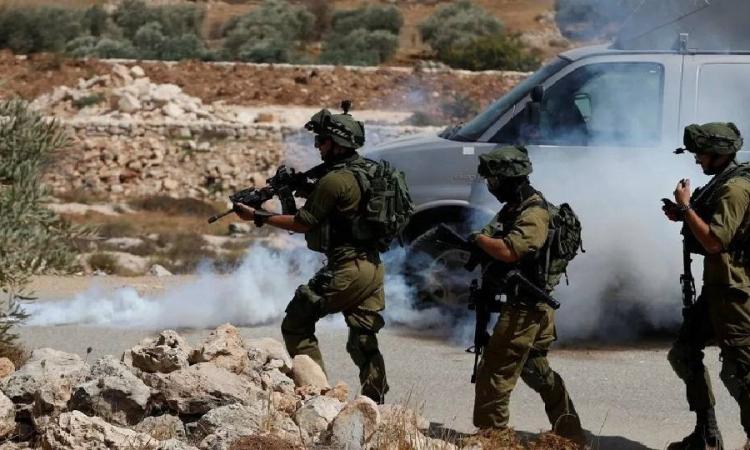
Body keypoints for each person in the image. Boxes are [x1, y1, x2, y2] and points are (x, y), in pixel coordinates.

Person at [234, 105, 389, 404]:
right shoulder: (368, 171)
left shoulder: (333, 180)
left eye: (322, 141)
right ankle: (375, 402)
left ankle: (318, 397)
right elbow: (345, 205)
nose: (317, 146)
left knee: (296, 324)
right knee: (363, 338)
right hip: (373, 267)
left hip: (346, 268)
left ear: (338, 143)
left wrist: (258, 215)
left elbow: (302, 223)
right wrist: (301, 189)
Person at [470, 145, 585, 444]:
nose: (490, 186)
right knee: (535, 369)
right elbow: (493, 234)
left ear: (509, 178)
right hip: (530, 308)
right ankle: (570, 432)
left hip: (526, 308)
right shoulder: (516, 206)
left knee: (495, 371)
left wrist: (479, 241)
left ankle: (493, 436)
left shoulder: (534, 213)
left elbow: (510, 251)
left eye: (494, 180)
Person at [663, 122, 750, 450]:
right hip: (718, 288)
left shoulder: (735, 188)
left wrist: (686, 208)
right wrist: (683, 214)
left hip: (734, 293)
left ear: (719, 153)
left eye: (701, 153)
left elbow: (715, 241)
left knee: (741, 372)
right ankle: (707, 436)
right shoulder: (724, 180)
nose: (697, 159)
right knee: (684, 352)